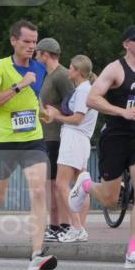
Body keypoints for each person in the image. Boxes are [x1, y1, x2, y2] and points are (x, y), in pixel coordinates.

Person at [69, 25, 135, 269]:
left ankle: (133, 252)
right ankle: (84, 184)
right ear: (126, 44)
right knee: (109, 199)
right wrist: (121, 112)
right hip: (116, 136)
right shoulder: (115, 69)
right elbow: (92, 98)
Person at [0, 20, 58, 270]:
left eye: (34, 42)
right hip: (4, 142)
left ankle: (36, 254)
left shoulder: (39, 69)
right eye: (26, 42)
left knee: (39, 190)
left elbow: (34, 96)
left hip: (32, 140)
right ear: (13, 41)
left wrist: (42, 111)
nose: (31, 46)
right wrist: (19, 85)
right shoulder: (0, 67)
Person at [44, 55, 98, 243]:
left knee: (61, 184)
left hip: (74, 138)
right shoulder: (85, 90)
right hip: (80, 139)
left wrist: (57, 118)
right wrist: (56, 113)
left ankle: (76, 226)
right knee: (80, 185)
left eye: (71, 67)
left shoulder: (83, 91)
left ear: (78, 71)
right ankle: (79, 228)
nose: (68, 70)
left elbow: (77, 119)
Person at [35, 37, 74, 242]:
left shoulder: (61, 75)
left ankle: (63, 225)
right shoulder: (46, 75)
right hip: (46, 135)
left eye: (37, 53)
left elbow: (74, 104)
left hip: (58, 136)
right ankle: (55, 225)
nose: (34, 57)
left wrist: (56, 114)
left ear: (45, 54)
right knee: (50, 184)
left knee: (57, 184)